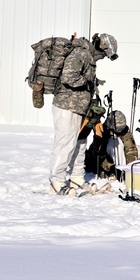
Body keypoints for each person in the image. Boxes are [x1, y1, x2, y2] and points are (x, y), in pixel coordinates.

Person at [49, 32, 118, 195]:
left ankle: (76, 178)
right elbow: (68, 77)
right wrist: (87, 83)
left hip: (79, 106)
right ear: (101, 46)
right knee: (65, 143)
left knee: (79, 143)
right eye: (103, 54)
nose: (102, 58)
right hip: (66, 105)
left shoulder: (89, 56)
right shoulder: (80, 53)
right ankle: (56, 181)